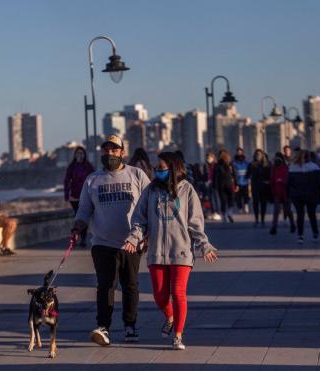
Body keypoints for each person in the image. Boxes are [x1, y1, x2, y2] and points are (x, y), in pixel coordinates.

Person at [123, 151, 218, 350]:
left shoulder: (187, 190)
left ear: (173, 168)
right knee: (159, 295)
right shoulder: (150, 191)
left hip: (181, 251)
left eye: (162, 168)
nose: (158, 171)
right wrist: (134, 238)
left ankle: (178, 335)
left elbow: (195, 223)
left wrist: (204, 245)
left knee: (178, 292)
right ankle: (170, 317)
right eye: (157, 168)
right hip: (156, 251)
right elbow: (140, 219)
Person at [71, 135, 150, 346]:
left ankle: (130, 325)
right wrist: (78, 226)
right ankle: (103, 327)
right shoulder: (92, 180)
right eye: (106, 150)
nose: (110, 154)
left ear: (122, 152)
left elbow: (150, 205)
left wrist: (148, 233)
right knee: (105, 286)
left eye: (114, 150)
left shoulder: (137, 175)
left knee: (130, 286)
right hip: (102, 243)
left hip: (132, 242)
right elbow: (85, 208)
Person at [288, 150, 320, 243]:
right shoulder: (314, 167)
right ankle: (315, 233)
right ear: (309, 157)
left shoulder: (292, 168)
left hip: (297, 196)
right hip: (311, 195)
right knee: (312, 215)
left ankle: (300, 235)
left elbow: (288, 184)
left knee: (300, 215)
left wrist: (288, 195)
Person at [63, 146, 95, 247]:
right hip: (74, 196)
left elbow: (94, 180)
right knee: (78, 217)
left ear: (84, 155)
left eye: (81, 153)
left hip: (86, 196)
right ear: (75, 155)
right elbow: (67, 180)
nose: (79, 155)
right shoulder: (72, 166)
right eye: (78, 153)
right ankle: (76, 236)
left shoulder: (88, 166)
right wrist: (66, 194)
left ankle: (83, 239)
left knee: (83, 217)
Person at [269, 153, 296, 235]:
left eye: (278, 158)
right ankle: (274, 227)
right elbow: (272, 180)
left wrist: (282, 181)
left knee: (288, 210)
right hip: (277, 192)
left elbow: (288, 179)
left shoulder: (286, 168)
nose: (277, 160)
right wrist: (272, 191)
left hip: (285, 192)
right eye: (276, 158)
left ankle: (292, 224)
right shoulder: (273, 168)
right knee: (276, 210)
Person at [246, 149, 271, 227]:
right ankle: (257, 219)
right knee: (255, 202)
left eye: (259, 154)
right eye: (257, 154)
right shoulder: (252, 164)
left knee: (263, 203)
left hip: (264, 186)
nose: (258, 156)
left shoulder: (267, 164)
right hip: (255, 186)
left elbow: (270, 174)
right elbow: (247, 175)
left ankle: (262, 219)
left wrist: (268, 181)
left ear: (262, 155)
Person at [213, 149, 237, 223]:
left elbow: (215, 176)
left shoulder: (217, 165)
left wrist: (215, 186)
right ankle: (229, 213)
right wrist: (236, 184)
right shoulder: (230, 164)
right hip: (229, 184)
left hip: (221, 185)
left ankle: (225, 216)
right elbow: (234, 175)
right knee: (231, 199)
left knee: (223, 201)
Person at [202, 151, 220, 221]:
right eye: (207, 158)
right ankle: (213, 212)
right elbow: (205, 175)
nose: (208, 159)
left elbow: (217, 175)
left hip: (215, 183)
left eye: (209, 157)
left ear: (213, 158)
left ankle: (217, 212)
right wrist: (206, 181)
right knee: (210, 198)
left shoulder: (216, 165)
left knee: (215, 198)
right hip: (208, 183)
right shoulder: (206, 165)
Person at [232, 147, 250, 213]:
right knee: (238, 196)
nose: (239, 153)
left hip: (245, 181)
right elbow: (233, 171)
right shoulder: (234, 162)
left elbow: (249, 170)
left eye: (240, 152)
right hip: (237, 181)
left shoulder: (246, 162)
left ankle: (246, 205)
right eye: (238, 152)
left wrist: (248, 178)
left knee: (246, 195)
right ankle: (239, 208)